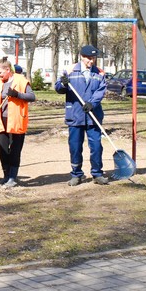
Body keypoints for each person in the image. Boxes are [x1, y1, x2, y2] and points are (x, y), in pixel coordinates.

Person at [53, 44, 109, 186]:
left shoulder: (99, 73)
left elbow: (101, 90)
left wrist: (92, 103)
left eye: (93, 58)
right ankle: (76, 174)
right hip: (75, 115)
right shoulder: (70, 70)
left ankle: (97, 173)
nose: (91, 61)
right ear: (82, 57)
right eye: (89, 58)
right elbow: (58, 88)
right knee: (75, 147)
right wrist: (63, 84)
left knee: (96, 146)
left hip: (93, 116)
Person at [0, 59, 36, 187]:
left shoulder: (21, 81)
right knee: (2, 150)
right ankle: (6, 175)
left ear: (8, 70)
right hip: (1, 120)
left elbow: (32, 97)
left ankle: (13, 178)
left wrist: (17, 94)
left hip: (17, 120)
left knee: (15, 150)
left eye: (0, 72)